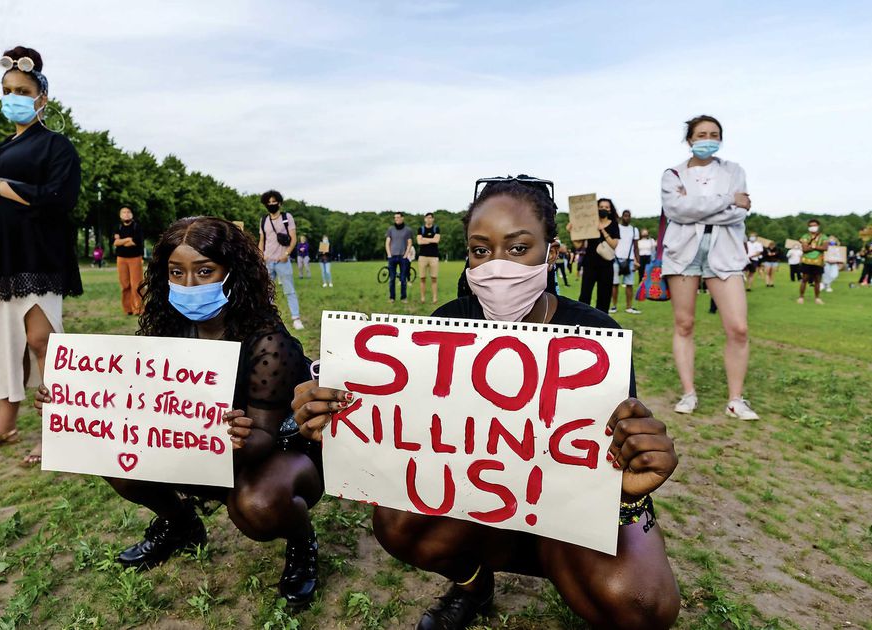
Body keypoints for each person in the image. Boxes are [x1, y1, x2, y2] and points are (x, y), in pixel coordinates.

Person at [291, 176, 680, 629]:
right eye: (481, 250)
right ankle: (474, 584)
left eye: (518, 249)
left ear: (551, 253)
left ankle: (564, 565)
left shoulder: (596, 336)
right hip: (479, 501)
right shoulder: (448, 324)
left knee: (641, 602)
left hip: (565, 505)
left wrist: (628, 489)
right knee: (397, 522)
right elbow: (413, 433)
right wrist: (340, 420)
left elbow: (606, 458)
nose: (498, 266)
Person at [35, 217, 324, 605]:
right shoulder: (167, 329)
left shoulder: (269, 342)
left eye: (204, 271)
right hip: (197, 449)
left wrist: (234, 436)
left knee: (258, 506)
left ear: (232, 272)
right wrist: (71, 401)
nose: (188, 285)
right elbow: (135, 400)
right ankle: (180, 524)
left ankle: (302, 542)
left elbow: (264, 437)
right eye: (176, 272)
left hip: (276, 452)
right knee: (113, 454)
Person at [0, 46, 82, 464]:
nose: (13, 97)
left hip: (36, 256)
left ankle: (57, 428)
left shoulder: (56, 146)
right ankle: (4, 426)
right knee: (3, 344)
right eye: (7, 89)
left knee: (43, 341)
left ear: (41, 98)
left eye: (22, 90)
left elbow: (59, 198)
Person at [660, 114, 758, 420]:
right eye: (701, 134)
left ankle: (735, 400)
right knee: (684, 324)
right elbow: (676, 210)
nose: (708, 139)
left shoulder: (733, 170)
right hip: (683, 253)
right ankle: (688, 392)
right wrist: (727, 199)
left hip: (725, 253)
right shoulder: (673, 174)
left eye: (714, 134)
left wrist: (697, 209)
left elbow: (736, 215)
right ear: (690, 139)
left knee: (738, 328)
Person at [257, 190, 304, 330]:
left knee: (289, 290)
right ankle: (267, 319)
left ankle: (296, 318)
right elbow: (262, 240)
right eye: (269, 202)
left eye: (274, 201)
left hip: (282, 260)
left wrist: (287, 253)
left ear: (279, 203)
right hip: (268, 260)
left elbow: (293, 238)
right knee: (266, 291)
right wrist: (261, 255)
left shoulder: (286, 217)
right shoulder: (264, 220)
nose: (272, 204)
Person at [577, 198, 619, 313]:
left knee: (604, 296)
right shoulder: (590, 224)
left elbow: (614, 244)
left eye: (606, 207)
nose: (603, 209)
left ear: (610, 210)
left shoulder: (614, 224)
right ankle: (582, 319)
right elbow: (578, 245)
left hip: (606, 265)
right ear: (596, 208)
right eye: (601, 207)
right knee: (585, 294)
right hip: (590, 264)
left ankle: (602, 321)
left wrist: (603, 230)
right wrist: (572, 231)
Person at [113, 206, 144, 315]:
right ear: (120, 215)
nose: (126, 214)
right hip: (121, 259)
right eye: (123, 212)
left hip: (135, 258)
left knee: (136, 284)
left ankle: (138, 309)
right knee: (125, 285)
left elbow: (135, 242)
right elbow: (115, 243)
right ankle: (128, 309)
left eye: (128, 212)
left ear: (132, 214)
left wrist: (121, 241)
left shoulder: (136, 227)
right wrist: (127, 239)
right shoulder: (118, 227)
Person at [611, 209, 641, 314]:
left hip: (630, 259)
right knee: (614, 284)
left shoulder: (634, 230)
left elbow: (636, 247)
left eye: (628, 216)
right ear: (622, 217)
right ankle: (614, 306)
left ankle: (629, 307)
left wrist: (638, 261)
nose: (627, 218)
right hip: (616, 258)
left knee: (629, 284)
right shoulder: (616, 228)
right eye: (625, 216)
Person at [797, 219, 827, 304]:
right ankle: (801, 297)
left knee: (817, 280)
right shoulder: (805, 236)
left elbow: (825, 248)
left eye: (814, 225)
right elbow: (804, 249)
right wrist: (817, 247)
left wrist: (813, 247)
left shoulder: (823, 237)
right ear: (808, 227)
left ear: (818, 226)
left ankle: (817, 298)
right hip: (806, 261)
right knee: (804, 280)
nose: (813, 227)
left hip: (818, 261)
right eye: (811, 226)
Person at [385, 211, 413, 302]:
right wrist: (389, 254)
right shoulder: (391, 229)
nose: (396, 219)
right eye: (395, 218)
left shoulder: (407, 230)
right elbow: (387, 242)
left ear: (402, 218)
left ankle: (403, 297)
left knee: (403, 278)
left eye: (398, 217)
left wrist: (406, 255)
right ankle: (392, 297)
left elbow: (409, 243)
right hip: (392, 257)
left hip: (403, 257)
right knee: (392, 278)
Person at [417, 212, 441, 303]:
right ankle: (422, 298)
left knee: (434, 278)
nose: (429, 219)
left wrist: (425, 239)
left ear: (433, 219)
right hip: (422, 257)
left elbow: (437, 240)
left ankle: (435, 298)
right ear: (424, 219)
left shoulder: (436, 228)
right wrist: (431, 240)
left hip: (434, 257)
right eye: (427, 218)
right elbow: (419, 242)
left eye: (430, 218)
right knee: (422, 278)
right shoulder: (421, 229)